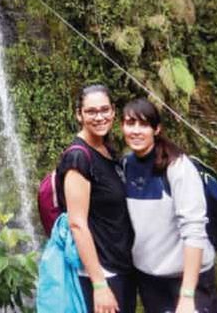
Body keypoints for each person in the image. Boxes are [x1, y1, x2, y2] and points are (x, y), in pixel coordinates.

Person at [120, 98, 217, 313]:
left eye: (144, 124)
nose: (136, 131)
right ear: (122, 127)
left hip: (187, 280)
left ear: (157, 129)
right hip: (150, 280)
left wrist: (187, 296)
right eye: (130, 123)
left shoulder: (178, 168)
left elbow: (194, 230)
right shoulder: (126, 165)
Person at [56, 84, 136, 313]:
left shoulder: (106, 150)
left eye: (104, 110)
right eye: (91, 111)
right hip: (102, 273)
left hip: (121, 266)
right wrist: (99, 284)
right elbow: (77, 223)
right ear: (79, 114)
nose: (99, 117)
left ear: (113, 111)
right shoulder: (78, 158)